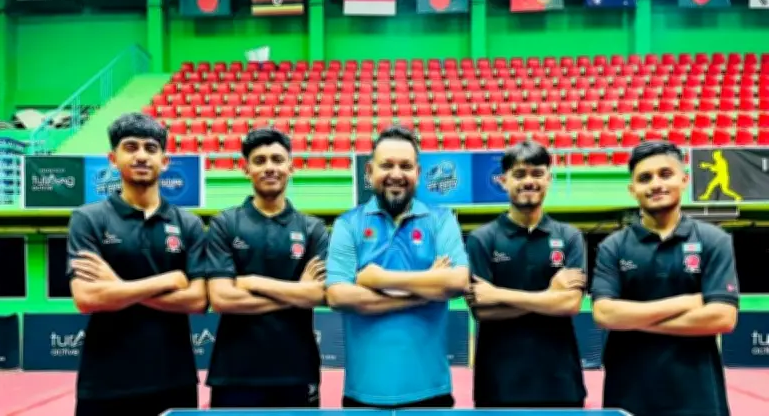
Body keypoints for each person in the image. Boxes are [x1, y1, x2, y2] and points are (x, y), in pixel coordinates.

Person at [66, 112, 208, 416]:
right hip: (104, 382)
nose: (141, 156)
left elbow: (198, 301)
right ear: (113, 159)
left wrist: (117, 288)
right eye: (130, 147)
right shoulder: (88, 219)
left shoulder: (189, 224)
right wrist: (167, 280)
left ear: (164, 161)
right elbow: (87, 298)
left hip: (174, 380)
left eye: (150, 148)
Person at [325, 126, 470, 409]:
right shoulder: (347, 224)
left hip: (431, 391)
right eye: (386, 165)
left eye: (405, 166)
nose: (396, 174)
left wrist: (379, 279)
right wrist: (427, 288)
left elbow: (457, 282)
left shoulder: (441, 220)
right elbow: (338, 296)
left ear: (418, 172)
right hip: (362, 393)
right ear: (369, 172)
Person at [591, 141, 739, 416]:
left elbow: (722, 318)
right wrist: (686, 302)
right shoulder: (613, 247)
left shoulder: (714, 240)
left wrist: (632, 321)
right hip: (629, 395)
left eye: (665, 174)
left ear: (684, 180)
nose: (656, 184)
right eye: (645, 178)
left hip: (698, 395)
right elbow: (604, 314)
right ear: (632, 189)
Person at [205, 128, 329, 408]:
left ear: (291, 167)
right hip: (234, 374)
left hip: (297, 372)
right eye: (260, 161)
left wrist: (252, 282)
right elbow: (222, 299)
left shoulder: (312, 228)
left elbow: (320, 294)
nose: (269, 167)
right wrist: (296, 292)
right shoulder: (225, 224)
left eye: (277, 159)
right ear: (246, 169)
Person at [465, 141, 588, 409]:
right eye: (519, 174)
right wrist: (549, 298)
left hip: (560, 382)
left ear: (549, 179)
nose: (529, 182)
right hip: (498, 383)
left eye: (537, 173)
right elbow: (482, 310)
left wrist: (498, 294)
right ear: (503, 181)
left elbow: (570, 304)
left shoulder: (570, 237)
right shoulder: (481, 239)